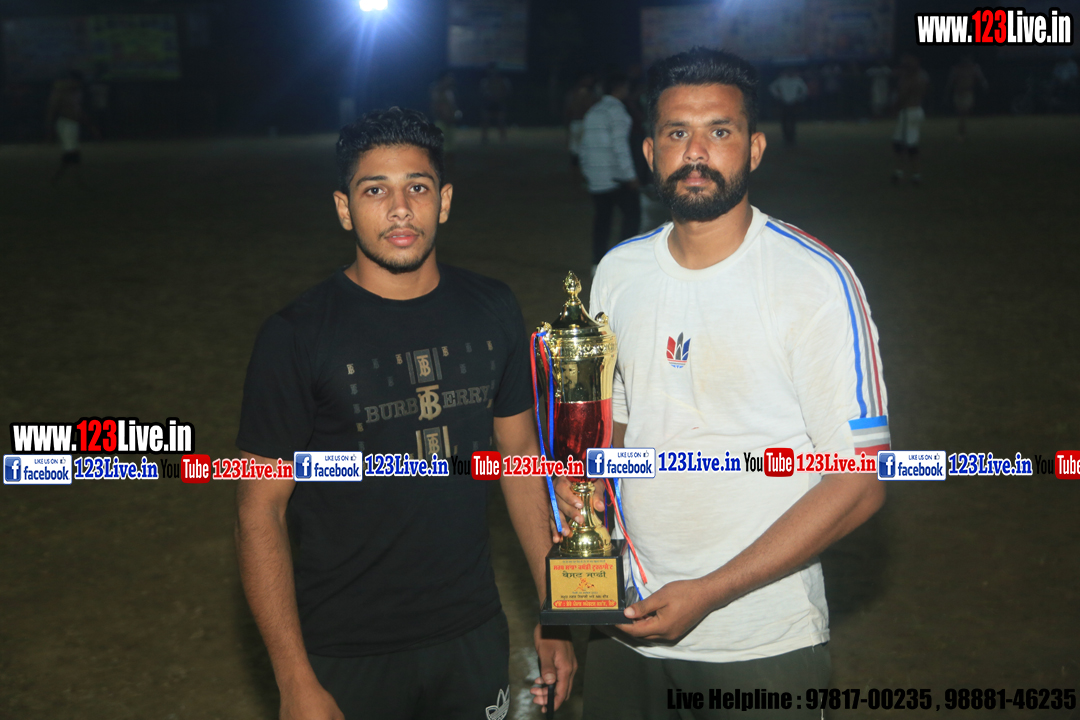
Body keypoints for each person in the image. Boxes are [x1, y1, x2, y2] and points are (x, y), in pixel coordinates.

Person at [555, 47, 889, 719]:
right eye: (677, 132)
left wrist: (711, 591)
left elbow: (861, 482)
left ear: (755, 149)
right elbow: (620, 416)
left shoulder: (813, 280)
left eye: (721, 131)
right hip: (627, 623)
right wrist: (585, 475)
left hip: (759, 640)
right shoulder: (618, 272)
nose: (696, 152)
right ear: (650, 151)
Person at [234, 107, 576, 720]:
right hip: (345, 648)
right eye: (375, 190)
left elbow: (522, 461)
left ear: (444, 201)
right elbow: (259, 510)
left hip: (471, 632)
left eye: (417, 187)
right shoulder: (296, 336)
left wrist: (556, 611)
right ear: (344, 208)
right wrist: (293, 679)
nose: (399, 209)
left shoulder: (494, 308)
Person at [579, 72, 641, 271]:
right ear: (620, 88)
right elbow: (620, 146)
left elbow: (583, 145)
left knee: (602, 220)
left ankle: (597, 263)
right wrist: (630, 175)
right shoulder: (617, 111)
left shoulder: (593, 111)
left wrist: (587, 171)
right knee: (632, 216)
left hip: (596, 176)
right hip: (615, 176)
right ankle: (624, 261)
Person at [45, 70, 90, 184]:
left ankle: (58, 177)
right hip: (66, 123)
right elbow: (52, 110)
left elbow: (78, 110)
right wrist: (50, 129)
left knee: (71, 151)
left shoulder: (76, 92)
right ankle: (76, 178)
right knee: (72, 151)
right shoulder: (60, 91)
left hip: (73, 123)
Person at [891, 55, 930, 185]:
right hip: (915, 110)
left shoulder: (909, 78)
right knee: (900, 143)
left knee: (909, 146)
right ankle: (900, 172)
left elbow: (902, 95)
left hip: (908, 112)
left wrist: (894, 107)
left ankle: (915, 174)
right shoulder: (922, 76)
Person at [944, 55, 988, 140]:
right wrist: (947, 93)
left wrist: (984, 84)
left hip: (968, 93)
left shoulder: (974, 68)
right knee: (961, 113)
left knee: (965, 112)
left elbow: (980, 78)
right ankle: (962, 132)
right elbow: (950, 82)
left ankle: (962, 131)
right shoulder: (956, 69)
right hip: (958, 93)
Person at [768, 67, 809, 147]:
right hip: (785, 102)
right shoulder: (783, 80)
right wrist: (779, 96)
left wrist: (798, 98)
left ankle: (791, 138)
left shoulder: (796, 80)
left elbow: (804, 90)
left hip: (792, 103)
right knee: (785, 121)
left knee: (791, 121)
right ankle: (787, 138)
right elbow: (772, 88)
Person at [429, 70, 460, 170]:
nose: (451, 80)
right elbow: (437, 106)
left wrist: (453, 116)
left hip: (450, 121)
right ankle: (443, 169)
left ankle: (450, 168)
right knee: (442, 147)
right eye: (448, 78)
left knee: (451, 147)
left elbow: (452, 106)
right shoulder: (437, 90)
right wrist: (444, 117)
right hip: (442, 121)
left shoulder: (449, 91)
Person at [565, 73, 598, 167]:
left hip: (578, 122)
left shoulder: (573, 93)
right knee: (580, 150)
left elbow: (568, 110)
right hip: (581, 122)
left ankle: (577, 171)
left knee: (577, 149)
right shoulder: (587, 94)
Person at [480, 62, 511, 144]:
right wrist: (490, 95)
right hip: (489, 103)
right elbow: (483, 92)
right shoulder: (485, 81)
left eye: (493, 70)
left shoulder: (503, 80)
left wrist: (499, 96)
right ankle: (484, 138)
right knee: (485, 120)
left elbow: (507, 91)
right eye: (490, 70)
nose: (492, 72)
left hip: (499, 102)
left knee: (501, 121)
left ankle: (503, 138)